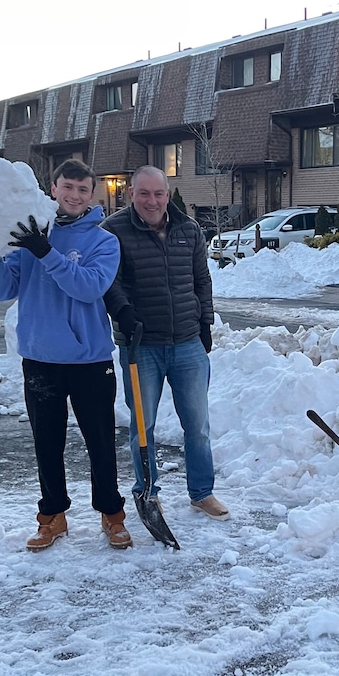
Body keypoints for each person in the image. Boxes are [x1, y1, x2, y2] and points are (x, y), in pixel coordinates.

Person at [0, 159, 132, 552]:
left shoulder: (103, 241)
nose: (75, 196)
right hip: (41, 358)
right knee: (47, 443)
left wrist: (46, 252)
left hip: (89, 360)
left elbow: (88, 288)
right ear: (53, 188)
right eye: (68, 187)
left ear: (92, 195)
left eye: (83, 190)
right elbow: (4, 290)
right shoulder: (30, 232)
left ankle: (112, 516)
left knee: (100, 441)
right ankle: (52, 518)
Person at [102, 165, 228, 521]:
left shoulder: (188, 229)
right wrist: (123, 313)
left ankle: (202, 492)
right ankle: (147, 492)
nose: (151, 201)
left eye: (158, 193)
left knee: (198, 426)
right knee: (143, 428)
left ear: (168, 195)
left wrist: (205, 323)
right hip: (140, 345)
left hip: (188, 342)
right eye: (144, 193)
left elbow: (202, 280)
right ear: (131, 194)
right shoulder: (112, 231)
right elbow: (109, 282)